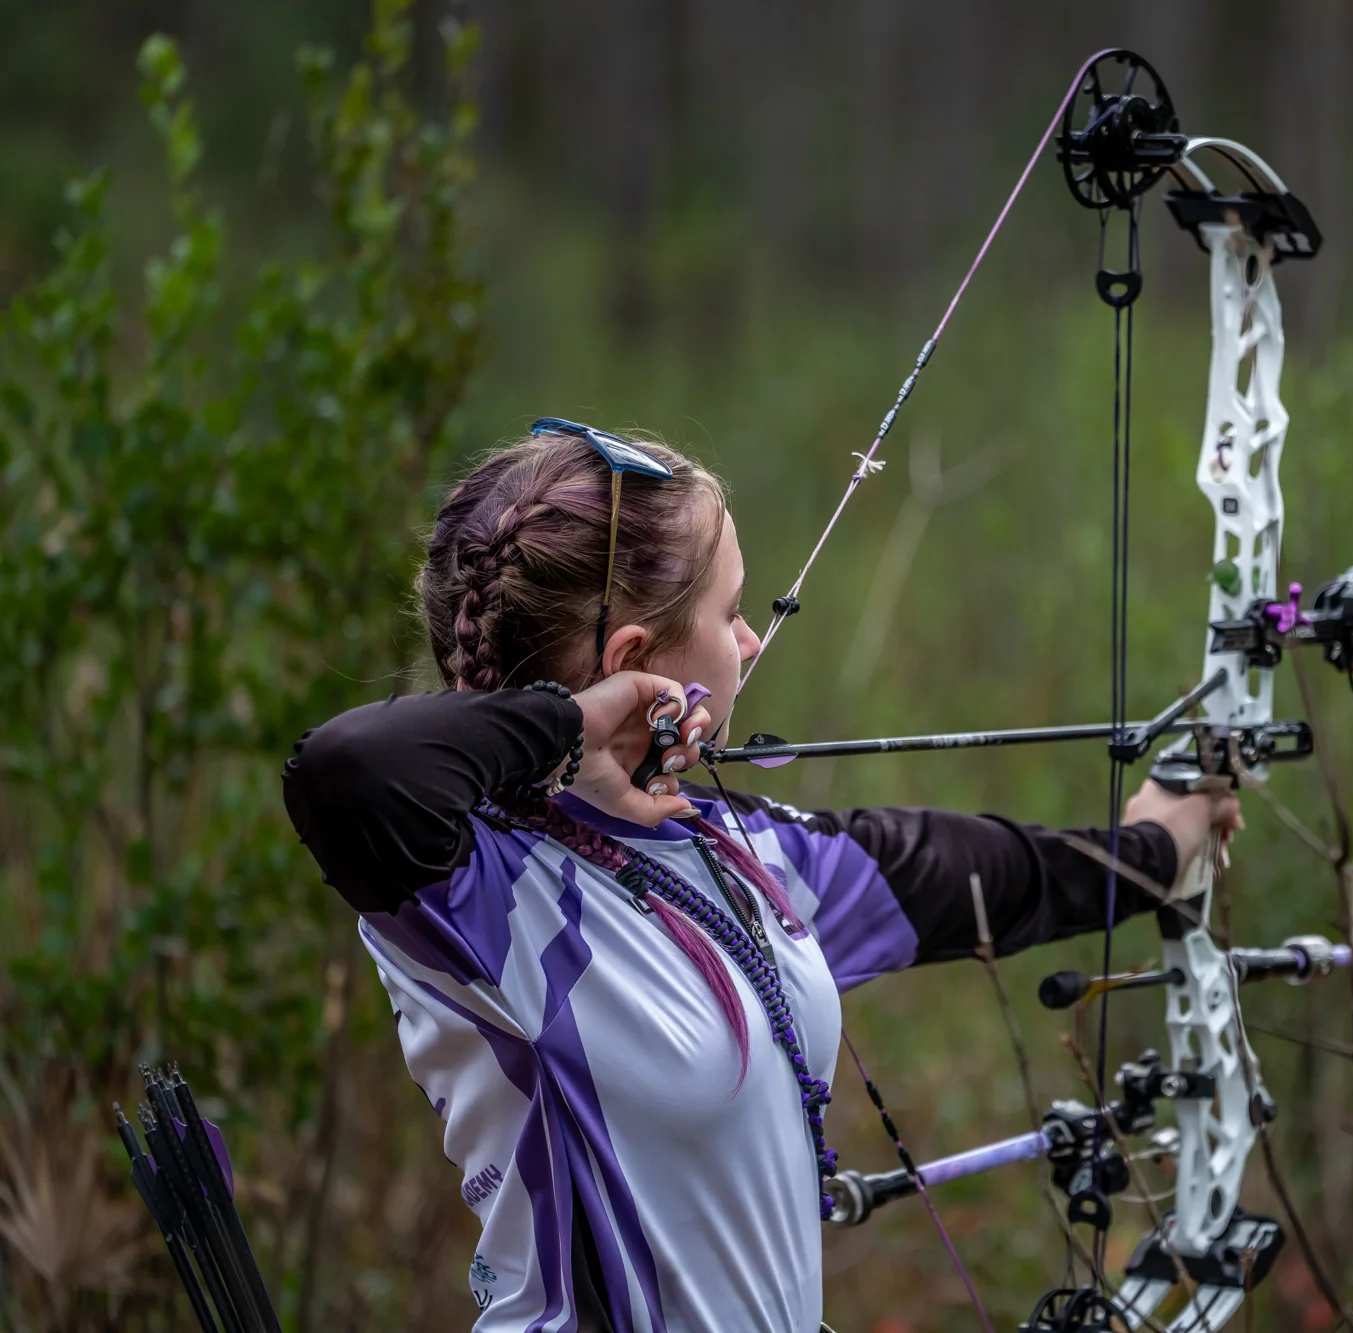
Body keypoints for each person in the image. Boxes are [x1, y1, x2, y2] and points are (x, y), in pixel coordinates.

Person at [282, 420, 1242, 1333]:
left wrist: (1155, 850)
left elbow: (948, 873)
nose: (750, 642)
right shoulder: (480, 896)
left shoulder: (733, 847)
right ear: (636, 664)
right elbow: (346, 770)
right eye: (732, 610)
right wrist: (580, 721)